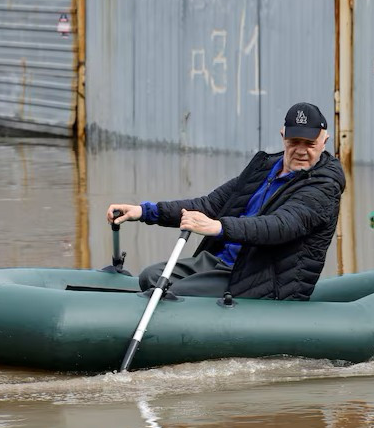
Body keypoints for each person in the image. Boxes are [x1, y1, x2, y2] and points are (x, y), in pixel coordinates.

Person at [106, 102, 346, 301]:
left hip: (263, 277)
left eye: (310, 144)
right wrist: (145, 211)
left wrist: (218, 227)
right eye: (295, 142)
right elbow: (210, 205)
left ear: (325, 141)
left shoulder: (324, 186)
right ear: (283, 136)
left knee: (174, 296)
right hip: (223, 262)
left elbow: (280, 226)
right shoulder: (264, 168)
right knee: (150, 276)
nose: (302, 150)